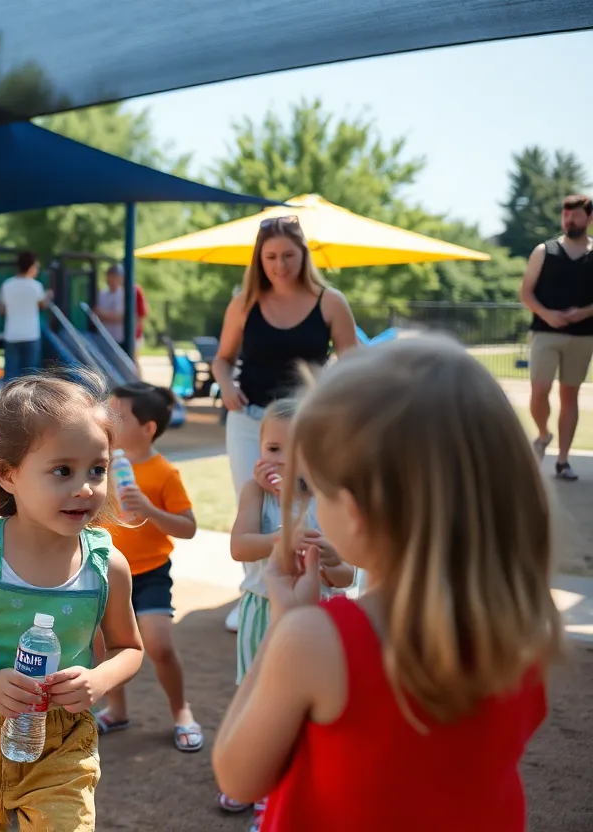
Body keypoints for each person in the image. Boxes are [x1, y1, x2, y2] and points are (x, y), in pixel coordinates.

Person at [212, 335, 562, 832]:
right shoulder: (528, 624)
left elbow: (237, 775)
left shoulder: (316, 638)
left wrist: (285, 624)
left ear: (353, 512)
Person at [0, 372, 145, 831]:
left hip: (63, 741)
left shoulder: (107, 563)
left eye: (96, 470)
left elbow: (130, 648)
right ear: (8, 474)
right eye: (63, 470)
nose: (85, 488)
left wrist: (99, 681)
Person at [212, 215, 358, 633]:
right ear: (259, 257)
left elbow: (351, 364)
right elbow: (223, 358)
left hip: (308, 425)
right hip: (251, 420)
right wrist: (224, 384)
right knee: (256, 504)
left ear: (304, 254)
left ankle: (316, 579)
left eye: (289, 255)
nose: (280, 265)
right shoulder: (243, 302)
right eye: (271, 256)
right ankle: (254, 592)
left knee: (313, 502)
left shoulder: (330, 301)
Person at [222, 399, 351, 828]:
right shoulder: (255, 492)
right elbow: (240, 546)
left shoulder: (332, 499)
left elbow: (345, 575)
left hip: (318, 617)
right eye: (274, 448)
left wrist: (330, 556)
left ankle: (288, 785)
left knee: (308, 702)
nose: (284, 458)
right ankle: (252, 777)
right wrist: (283, 536)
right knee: (257, 691)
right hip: (263, 609)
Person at [93, 382, 204, 753]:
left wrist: (151, 511)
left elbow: (187, 527)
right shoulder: (100, 464)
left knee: (158, 644)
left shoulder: (164, 473)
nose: (109, 420)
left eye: (118, 416)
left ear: (148, 428)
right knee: (108, 645)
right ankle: (117, 710)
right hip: (108, 568)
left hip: (151, 571)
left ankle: (181, 712)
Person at [519, 193, 593, 480]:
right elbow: (526, 293)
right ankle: (542, 434)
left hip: (583, 336)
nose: (569, 219)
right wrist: (547, 314)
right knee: (539, 392)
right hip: (544, 332)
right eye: (565, 214)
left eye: (575, 215)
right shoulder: (543, 251)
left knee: (569, 395)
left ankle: (563, 461)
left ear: (589, 218)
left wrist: (584, 313)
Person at [0, 250, 53, 382]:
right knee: (30, 377)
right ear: (32, 267)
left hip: (12, 335)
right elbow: (41, 306)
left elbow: (1, 310)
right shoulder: (36, 286)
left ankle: (8, 402)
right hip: (30, 335)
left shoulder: (7, 285)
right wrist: (48, 296)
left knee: (11, 376)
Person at [94, 264, 148, 360]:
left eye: (116, 276)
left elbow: (123, 317)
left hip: (123, 338)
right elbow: (97, 315)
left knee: (131, 363)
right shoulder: (103, 294)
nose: (113, 279)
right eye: (111, 276)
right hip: (106, 337)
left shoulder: (126, 293)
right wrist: (107, 315)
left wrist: (103, 314)